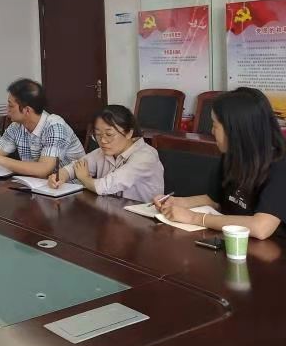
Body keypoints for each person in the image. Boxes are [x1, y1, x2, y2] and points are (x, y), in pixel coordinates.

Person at [155, 88, 286, 240]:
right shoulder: (232, 155)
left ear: (235, 129)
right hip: (233, 242)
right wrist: (178, 203)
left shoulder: (280, 164)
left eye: (215, 125)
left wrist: (194, 218)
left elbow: (261, 227)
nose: (212, 131)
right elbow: (215, 200)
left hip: (271, 249)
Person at [48, 105, 163, 202]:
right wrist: (60, 176)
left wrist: (85, 179)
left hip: (142, 218)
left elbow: (106, 186)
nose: (102, 140)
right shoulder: (104, 151)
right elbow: (77, 166)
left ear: (129, 133)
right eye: (98, 135)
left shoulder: (146, 156)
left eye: (109, 134)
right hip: (113, 212)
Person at [0, 78, 84, 177]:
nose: (7, 110)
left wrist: (0, 160)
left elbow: (43, 170)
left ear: (27, 110)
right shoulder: (16, 126)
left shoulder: (55, 126)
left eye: (10, 106)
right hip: (38, 186)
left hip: (71, 187)